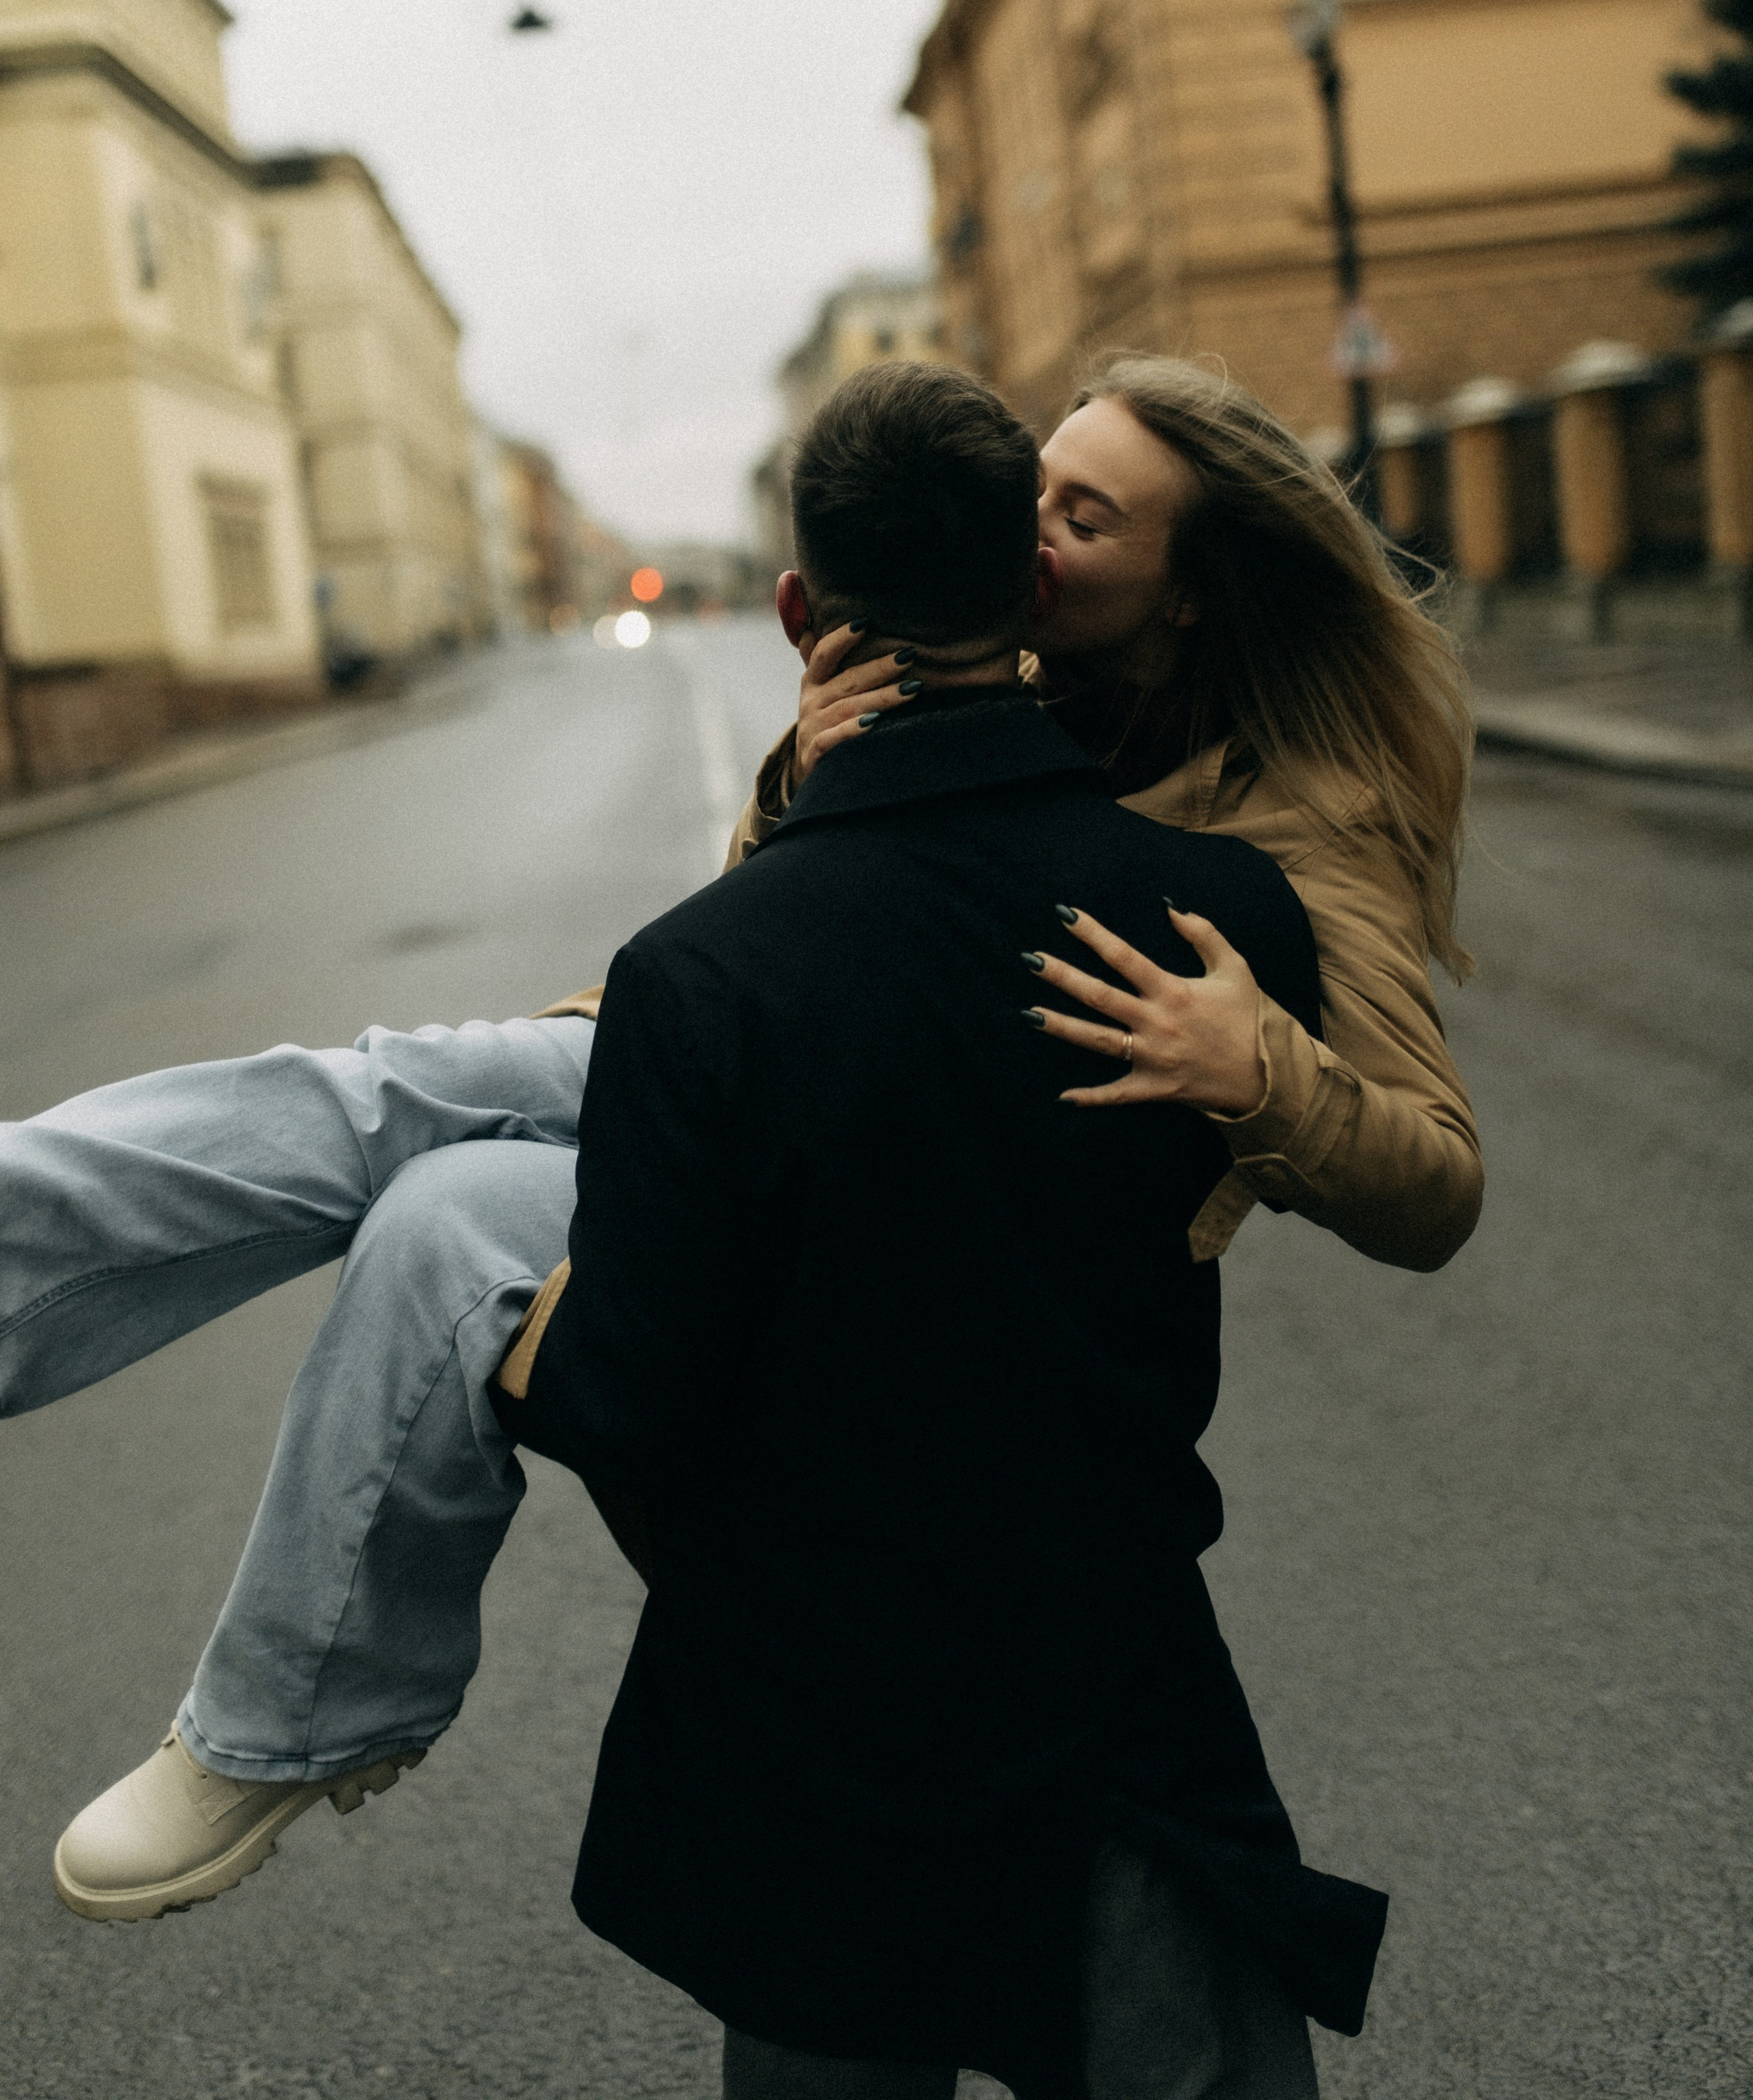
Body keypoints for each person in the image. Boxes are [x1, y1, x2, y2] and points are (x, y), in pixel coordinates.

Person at [28, 354, 1479, 1934]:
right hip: (711, 1064)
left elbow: (1432, 1184)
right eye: (1035, 491)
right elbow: (781, 927)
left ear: (1188, 592)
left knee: (440, 1204)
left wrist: (1256, 1065)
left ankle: (292, 1719)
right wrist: (808, 775)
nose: (1037, 530)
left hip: (905, 1182)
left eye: (1087, 513)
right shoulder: (968, 673)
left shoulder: (1301, 816)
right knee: (373, 1103)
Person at [495, 355, 1380, 2096]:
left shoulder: (704, 974)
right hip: (1112, 1695)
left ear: (800, 609)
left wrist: (506, 1333)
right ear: (1031, 585)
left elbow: (634, 1406)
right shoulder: (1219, 920)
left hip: (814, 1734)